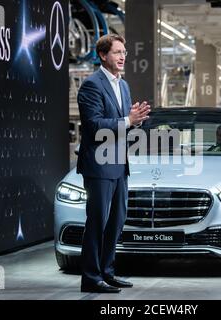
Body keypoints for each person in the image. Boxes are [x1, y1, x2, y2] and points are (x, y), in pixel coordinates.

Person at [77, 34, 151, 293]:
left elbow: (123, 124)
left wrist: (137, 121)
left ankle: (107, 272)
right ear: (103, 55)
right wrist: (129, 121)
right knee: (97, 222)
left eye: (124, 52)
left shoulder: (124, 85)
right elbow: (95, 126)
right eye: (117, 52)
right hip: (98, 165)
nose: (123, 56)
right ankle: (90, 277)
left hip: (119, 164)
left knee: (116, 222)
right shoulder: (91, 85)